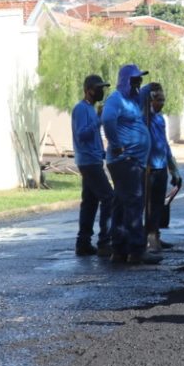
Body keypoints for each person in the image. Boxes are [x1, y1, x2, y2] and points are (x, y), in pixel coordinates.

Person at [101, 63, 160, 265]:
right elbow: (108, 119)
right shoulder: (116, 99)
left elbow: (142, 93)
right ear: (126, 80)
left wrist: (149, 87)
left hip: (132, 160)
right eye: (135, 79)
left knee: (120, 203)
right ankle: (136, 249)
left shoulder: (133, 98)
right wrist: (116, 144)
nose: (138, 83)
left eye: (140, 79)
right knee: (134, 202)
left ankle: (119, 248)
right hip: (125, 160)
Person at [71, 74, 114, 256]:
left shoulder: (90, 109)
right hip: (88, 162)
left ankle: (83, 243)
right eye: (98, 88)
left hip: (93, 160)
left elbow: (94, 139)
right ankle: (105, 241)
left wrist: (105, 153)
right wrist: (98, 119)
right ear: (88, 90)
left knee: (89, 203)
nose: (101, 92)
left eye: (103, 88)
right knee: (109, 197)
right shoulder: (81, 109)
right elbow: (82, 135)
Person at [140, 82, 181, 253]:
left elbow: (164, 145)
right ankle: (141, 239)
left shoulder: (159, 119)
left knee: (157, 204)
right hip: (146, 168)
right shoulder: (142, 119)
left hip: (160, 167)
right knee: (143, 204)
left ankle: (154, 235)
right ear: (150, 100)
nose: (162, 103)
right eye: (159, 100)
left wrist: (174, 169)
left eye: (163, 100)